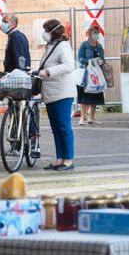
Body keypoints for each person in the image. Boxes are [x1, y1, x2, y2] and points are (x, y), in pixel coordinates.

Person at [39, 19, 77, 171]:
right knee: (55, 128)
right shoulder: (50, 46)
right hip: (51, 92)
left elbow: (69, 65)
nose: (44, 34)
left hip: (62, 92)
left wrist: (49, 72)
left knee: (63, 127)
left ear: (53, 32)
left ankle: (68, 160)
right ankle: (59, 158)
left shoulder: (63, 46)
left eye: (46, 31)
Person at [77, 25, 105, 125]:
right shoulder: (84, 45)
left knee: (96, 94)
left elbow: (102, 58)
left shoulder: (99, 46)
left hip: (96, 74)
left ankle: (91, 117)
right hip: (86, 73)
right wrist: (90, 61)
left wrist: (101, 61)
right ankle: (82, 117)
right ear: (90, 33)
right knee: (84, 96)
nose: (96, 35)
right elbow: (80, 58)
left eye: (97, 33)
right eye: (94, 32)